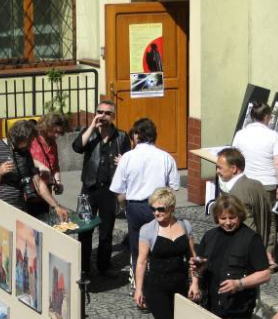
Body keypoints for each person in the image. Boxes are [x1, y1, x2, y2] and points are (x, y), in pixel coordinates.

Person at [134, 188, 196, 319]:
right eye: (153, 209)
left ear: (172, 208)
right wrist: (138, 289)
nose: (156, 213)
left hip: (179, 285)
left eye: (161, 209)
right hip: (156, 288)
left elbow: (193, 258)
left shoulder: (185, 226)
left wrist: (195, 282)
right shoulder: (148, 230)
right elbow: (141, 262)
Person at [111, 118, 179, 279]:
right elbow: (173, 188)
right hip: (160, 207)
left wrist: (125, 206)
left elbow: (118, 190)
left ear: (136, 136)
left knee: (137, 249)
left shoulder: (127, 158)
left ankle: (138, 287)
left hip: (135, 207)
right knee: (159, 247)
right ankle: (157, 282)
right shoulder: (166, 157)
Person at [189, 195, 271, 319]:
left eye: (232, 218)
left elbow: (265, 274)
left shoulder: (251, 239)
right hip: (210, 305)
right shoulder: (210, 236)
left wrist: (239, 284)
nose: (227, 222)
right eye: (223, 218)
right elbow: (198, 263)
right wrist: (195, 282)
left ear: (240, 215)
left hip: (237, 310)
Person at [72, 100, 131, 277]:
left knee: (106, 231)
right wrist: (92, 126)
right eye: (100, 111)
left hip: (109, 190)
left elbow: (129, 160)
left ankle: (104, 266)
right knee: (84, 229)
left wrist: (124, 162)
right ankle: (83, 267)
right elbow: (77, 147)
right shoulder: (89, 134)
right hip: (89, 188)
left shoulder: (121, 136)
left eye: (107, 113)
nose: (102, 116)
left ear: (113, 116)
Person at [0, 119, 67, 221]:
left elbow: (38, 183)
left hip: (19, 209)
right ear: (20, 137)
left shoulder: (25, 152)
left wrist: (56, 206)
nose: (31, 145)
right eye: (29, 141)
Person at [232, 101, 278, 268]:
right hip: (267, 184)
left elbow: (234, 158)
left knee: (248, 218)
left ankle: (251, 254)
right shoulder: (272, 135)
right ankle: (269, 256)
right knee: (269, 219)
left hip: (246, 182)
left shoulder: (240, 134)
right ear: (267, 117)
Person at [215, 147, 272, 254]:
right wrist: (269, 250)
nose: (217, 171)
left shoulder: (236, 195)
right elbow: (271, 220)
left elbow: (248, 231)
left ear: (233, 169)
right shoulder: (257, 184)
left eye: (220, 168)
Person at [30, 112, 67, 198]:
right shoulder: (32, 139)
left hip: (46, 193)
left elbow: (55, 166)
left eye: (59, 132)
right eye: (55, 132)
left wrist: (58, 182)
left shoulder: (53, 144)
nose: (57, 135)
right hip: (31, 191)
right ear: (47, 127)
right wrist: (40, 165)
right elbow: (22, 158)